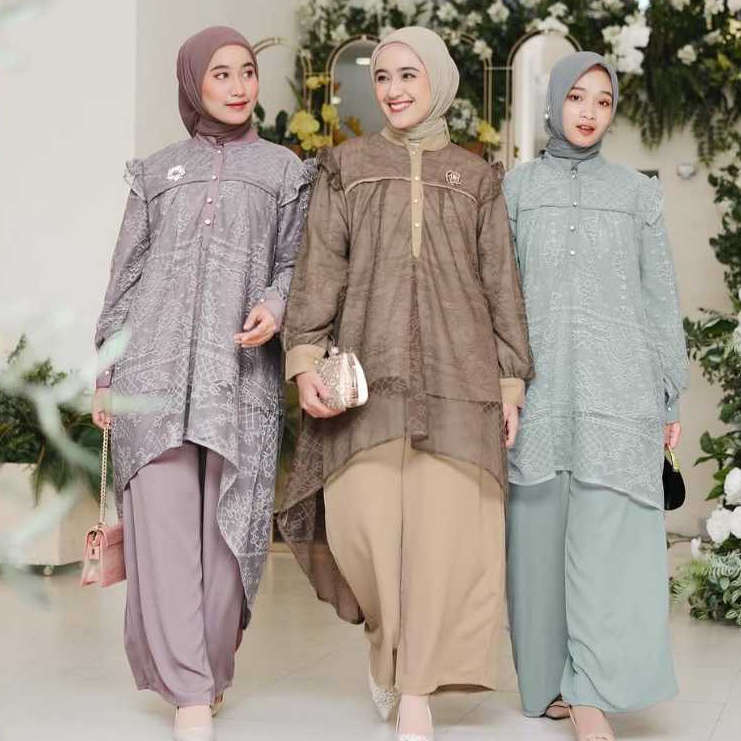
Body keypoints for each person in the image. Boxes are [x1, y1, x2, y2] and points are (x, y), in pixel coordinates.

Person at [277, 27, 533, 741]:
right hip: (367, 378)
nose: (392, 90)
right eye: (382, 77)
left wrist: (510, 381)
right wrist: (304, 359)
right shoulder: (346, 167)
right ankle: (388, 645)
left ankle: (416, 686)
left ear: (439, 81)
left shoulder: (477, 177)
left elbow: (501, 285)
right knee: (360, 529)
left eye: (408, 76)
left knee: (446, 539)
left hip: (461, 381)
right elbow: (319, 268)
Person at [92, 26, 311, 741]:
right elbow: (126, 279)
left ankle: (208, 672)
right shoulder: (156, 172)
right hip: (151, 374)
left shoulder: (283, 171)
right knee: (162, 540)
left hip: (235, 376)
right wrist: (108, 373)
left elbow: (295, 263)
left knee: (229, 537)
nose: (238, 86)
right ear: (192, 82)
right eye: (221, 74)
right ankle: (189, 691)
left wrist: (276, 304)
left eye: (247, 71)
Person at [503, 52, 690, 741]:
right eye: (577, 97)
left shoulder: (636, 193)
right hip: (539, 395)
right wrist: (503, 382)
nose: (588, 112)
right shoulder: (516, 189)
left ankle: (590, 693)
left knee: (608, 551)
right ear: (554, 102)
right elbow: (498, 295)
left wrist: (668, 394)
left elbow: (658, 295)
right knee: (536, 546)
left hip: (620, 392)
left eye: (603, 101)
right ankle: (550, 683)